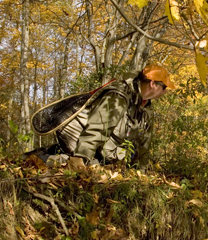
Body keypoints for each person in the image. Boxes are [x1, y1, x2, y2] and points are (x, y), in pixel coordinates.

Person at [28, 64, 175, 169]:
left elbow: (143, 144)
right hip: (84, 141)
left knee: (105, 164)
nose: (165, 91)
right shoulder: (119, 96)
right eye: (164, 87)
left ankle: (49, 153)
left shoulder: (145, 108)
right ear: (152, 84)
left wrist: (141, 170)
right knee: (90, 166)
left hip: (106, 152)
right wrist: (81, 158)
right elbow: (97, 127)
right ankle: (40, 159)